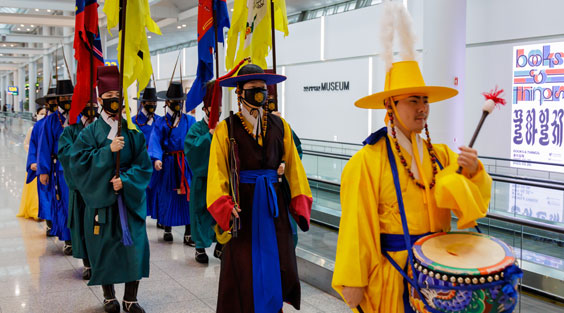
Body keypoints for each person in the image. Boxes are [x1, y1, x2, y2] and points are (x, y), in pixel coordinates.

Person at [331, 64, 493, 312]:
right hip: (393, 272)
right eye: (413, 101)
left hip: (438, 276)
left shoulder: (441, 156)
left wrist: (471, 172)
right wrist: (353, 280)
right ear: (390, 106)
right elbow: (356, 225)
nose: (422, 108)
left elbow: (469, 207)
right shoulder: (366, 161)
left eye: (425, 101)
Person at [207, 64, 313, 313]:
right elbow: (217, 172)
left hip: (273, 206)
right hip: (242, 208)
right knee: (243, 266)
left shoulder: (280, 126)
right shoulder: (227, 128)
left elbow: (295, 168)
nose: (259, 94)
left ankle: (273, 307)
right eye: (253, 89)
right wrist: (224, 205)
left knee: (276, 261)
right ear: (240, 92)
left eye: (263, 89)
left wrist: (299, 201)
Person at [70, 66, 152, 313]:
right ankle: (109, 296)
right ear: (99, 100)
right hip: (102, 200)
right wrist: (108, 152)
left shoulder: (133, 131)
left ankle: (131, 298)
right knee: (103, 248)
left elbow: (144, 165)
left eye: (117, 98)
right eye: (108, 99)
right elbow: (78, 163)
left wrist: (125, 180)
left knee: (134, 248)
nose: (114, 104)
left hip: (128, 201)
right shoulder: (89, 133)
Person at [57, 90, 99, 281]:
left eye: (94, 107)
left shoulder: (103, 128)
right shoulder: (70, 131)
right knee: (83, 226)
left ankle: (101, 260)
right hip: (81, 189)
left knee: (99, 227)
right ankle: (87, 263)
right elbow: (66, 156)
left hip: (100, 188)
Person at [149, 81, 196, 244]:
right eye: (174, 101)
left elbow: (194, 140)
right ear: (167, 102)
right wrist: (157, 158)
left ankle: (189, 232)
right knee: (167, 195)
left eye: (179, 101)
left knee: (188, 197)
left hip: (185, 163)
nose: (177, 104)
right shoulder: (161, 122)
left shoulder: (190, 120)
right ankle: (167, 227)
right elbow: (155, 140)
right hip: (168, 163)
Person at [184, 81, 223, 263]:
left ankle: (221, 244)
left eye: (220, 108)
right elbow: (191, 150)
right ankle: (200, 247)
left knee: (221, 211)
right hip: (203, 179)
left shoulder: (225, 128)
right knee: (200, 212)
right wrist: (209, 136)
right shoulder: (197, 129)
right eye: (215, 108)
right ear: (206, 109)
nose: (218, 111)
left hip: (221, 180)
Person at [37, 80, 74, 254]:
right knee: (65, 204)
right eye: (64, 97)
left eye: (70, 97)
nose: (67, 99)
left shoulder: (78, 117)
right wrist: (43, 171)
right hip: (60, 169)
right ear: (57, 99)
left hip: (80, 167)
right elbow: (44, 146)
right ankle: (68, 239)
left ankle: (82, 238)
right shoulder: (50, 121)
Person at [29, 87, 59, 235]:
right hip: (45, 166)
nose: (53, 103)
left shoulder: (68, 122)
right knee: (47, 196)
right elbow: (34, 145)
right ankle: (50, 223)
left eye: (56, 101)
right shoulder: (39, 125)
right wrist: (34, 163)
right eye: (50, 102)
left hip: (61, 166)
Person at [132, 87, 162, 225]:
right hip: (140, 161)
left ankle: (161, 219)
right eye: (149, 102)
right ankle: (140, 217)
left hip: (157, 161)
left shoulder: (160, 121)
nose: (152, 105)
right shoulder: (134, 122)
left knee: (158, 191)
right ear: (143, 103)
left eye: (154, 102)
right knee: (141, 191)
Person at [17, 106, 47, 220]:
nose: (43, 115)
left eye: (45, 113)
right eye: (41, 113)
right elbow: (26, 143)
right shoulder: (32, 129)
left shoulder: (49, 127)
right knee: (34, 190)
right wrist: (34, 155)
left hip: (45, 163)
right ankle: (35, 210)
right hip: (35, 163)